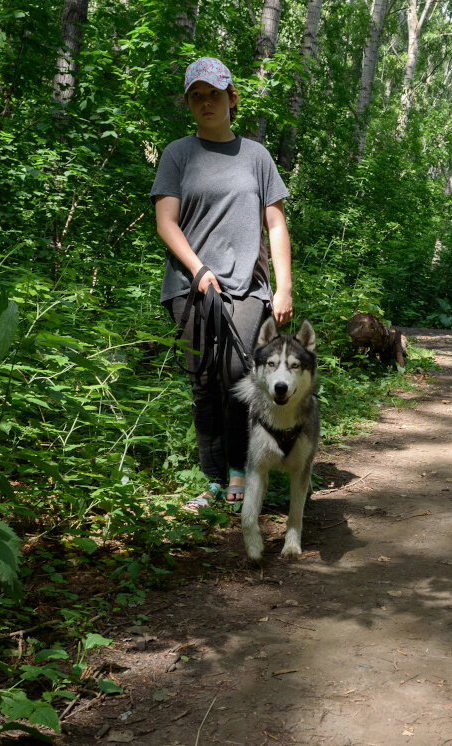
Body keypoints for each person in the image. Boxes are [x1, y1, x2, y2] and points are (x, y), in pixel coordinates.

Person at [151, 57, 293, 511]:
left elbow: (275, 224)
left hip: (247, 288)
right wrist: (198, 269)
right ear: (190, 104)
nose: (206, 102)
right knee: (203, 381)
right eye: (197, 96)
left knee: (237, 375)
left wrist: (284, 286)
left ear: (232, 97)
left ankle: (239, 469)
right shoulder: (177, 154)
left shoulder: (256, 156)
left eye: (214, 94)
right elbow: (166, 222)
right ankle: (211, 479)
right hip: (189, 287)